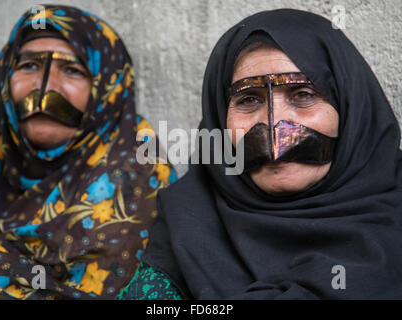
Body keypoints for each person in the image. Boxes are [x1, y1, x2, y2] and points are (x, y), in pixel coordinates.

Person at [117, 9, 402, 300]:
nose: (274, 125)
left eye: (303, 95)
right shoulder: (189, 216)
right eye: (248, 99)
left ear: (351, 111)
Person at [0, 5, 176, 299]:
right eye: (29, 66)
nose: (45, 90)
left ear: (107, 89)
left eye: (71, 70)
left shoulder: (134, 173)